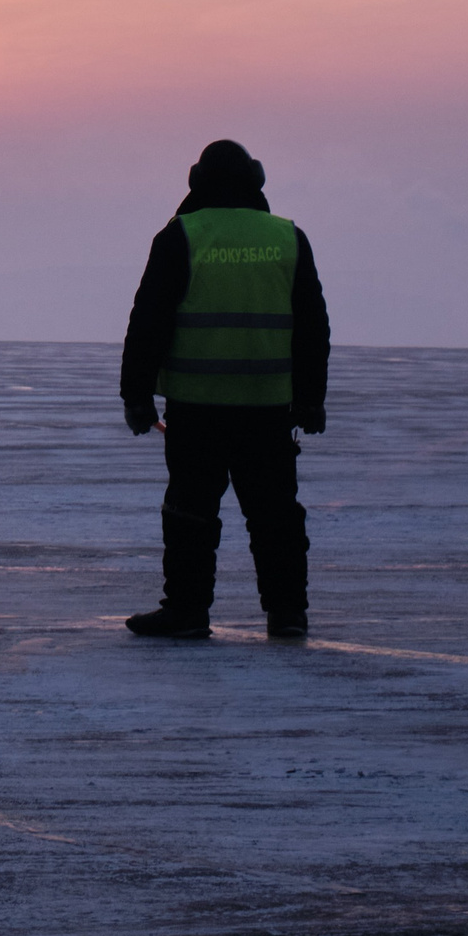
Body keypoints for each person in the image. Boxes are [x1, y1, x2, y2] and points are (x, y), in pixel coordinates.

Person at [118, 140, 329, 639]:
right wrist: (311, 399)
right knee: (276, 517)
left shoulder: (181, 236)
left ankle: (186, 611)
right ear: (256, 183)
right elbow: (312, 326)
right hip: (268, 409)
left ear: (197, 184)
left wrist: (136, 396)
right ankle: (288, 614)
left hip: (197, 408)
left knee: (190, 514)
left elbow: (148, 321)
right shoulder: (288, 238)